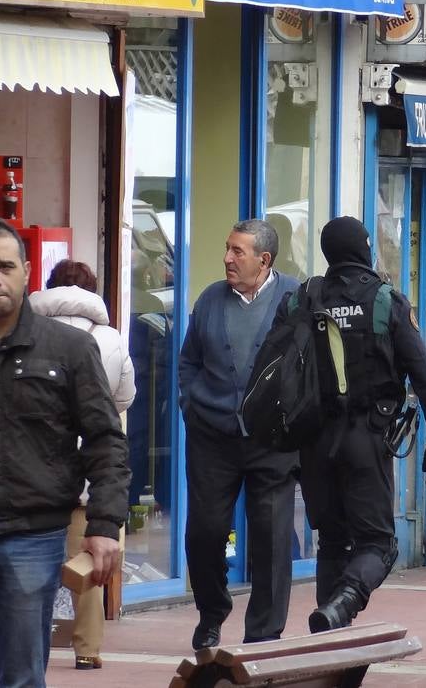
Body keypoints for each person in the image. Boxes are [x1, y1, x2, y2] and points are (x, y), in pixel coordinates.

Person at [0, 219, 129, 688]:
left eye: (5, 266)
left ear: (27, 271)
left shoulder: (71, 349)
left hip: (30, 539)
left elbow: (105, 440)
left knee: (21, 678)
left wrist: (103, 527)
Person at [292, 216, 426, 633]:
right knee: (379, 545)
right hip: (366, 437)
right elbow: (425, 375)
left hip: (315, 442)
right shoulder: (385, 301)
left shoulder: (305, 297)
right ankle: (342, 607)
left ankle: (330, 634)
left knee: (331, 539)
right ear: (364, 249)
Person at [179, 219, 300, 649]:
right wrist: (191, 403)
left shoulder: (296, 298)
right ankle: (212, 611)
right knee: (205, 532)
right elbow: (189, 359)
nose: (227, 258)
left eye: (238, 252)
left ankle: (263, 633)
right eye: (228, 249)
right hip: (213, 437)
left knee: (271, 537)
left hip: (273, 440)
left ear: (264, 260)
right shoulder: (211, 299)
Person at [29, 259, 136, 671]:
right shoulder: (110, 337)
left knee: (29, 565)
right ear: (92, 292)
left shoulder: (27, 335)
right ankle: (87, 649)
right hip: (88, 468)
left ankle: (28, 644)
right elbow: (125, 396)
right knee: (87, 562)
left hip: (38, 470)